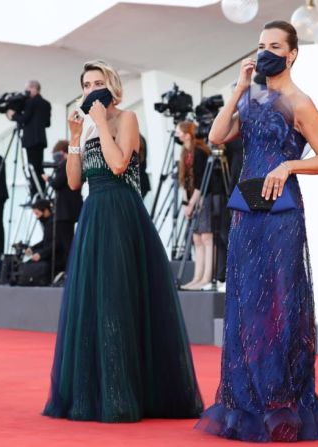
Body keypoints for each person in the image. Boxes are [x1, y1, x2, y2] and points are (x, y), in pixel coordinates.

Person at [195, 21, 318, 441]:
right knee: (247, 303)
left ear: (292, 53)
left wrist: (288, 165)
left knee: (281, 303)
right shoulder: (251, 95)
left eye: (275, 46)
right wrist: (240, 86)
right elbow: (215, 136)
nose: (266, 52)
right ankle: (246, 401)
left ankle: (282, 403)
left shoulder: (299, 102)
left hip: (282, 216)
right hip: (247, 211)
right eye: (261, 45)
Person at [43, 60, 203, 422]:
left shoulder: (127, 119)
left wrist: (100, 124)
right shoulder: (85, 129)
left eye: (98, 82)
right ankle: (95, 394)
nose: (91, 89)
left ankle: (128, 394)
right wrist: (73, 138)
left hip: (122, 213)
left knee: (120, 298)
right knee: (95, 301)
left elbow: (118, 165)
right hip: (93, 214)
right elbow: (72, 182)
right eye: (86, 84)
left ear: (113, 88)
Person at [176, 121, 221, 291]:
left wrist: (192, 202)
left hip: (202, 198)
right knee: (196, 238)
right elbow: (183, 180)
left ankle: (206, 277)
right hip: (192, 200)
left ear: (187, 134)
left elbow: (202, 181)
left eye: (179, 131)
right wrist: (185, 203)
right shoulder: (185, 152)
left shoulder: (200, 152)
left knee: (206, 237)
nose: (177, 134)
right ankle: (197, 277)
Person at [7, 80, 52, 199]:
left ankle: (35, 195)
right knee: (38, 167)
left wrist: (13, 115)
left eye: (27, 89)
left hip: (31, 140)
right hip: (41, 140)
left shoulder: (31, 102)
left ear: (34, 88)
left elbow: (23, 119)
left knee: (32, 168)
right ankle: (41, 192)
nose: (26, 92)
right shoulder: (46, 103)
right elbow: (47, 123)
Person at [47, 140, 83, 273]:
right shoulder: (75, 163)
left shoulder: (65, 165)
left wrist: (49, 179)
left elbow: (57, 183)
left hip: (65, 211)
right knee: (70, 242)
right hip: (73, 208)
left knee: (67, 243)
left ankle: (71, 272)